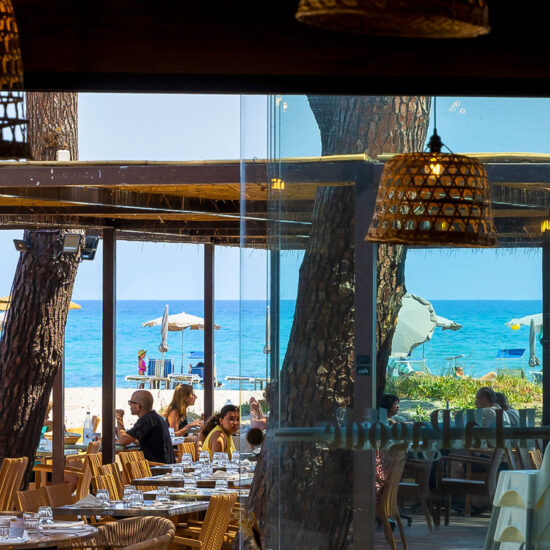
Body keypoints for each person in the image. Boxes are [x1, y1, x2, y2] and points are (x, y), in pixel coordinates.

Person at [115, 390, 175, 463]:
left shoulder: (146, 420)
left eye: (131, 403)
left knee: (126, 465)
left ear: (138, 405)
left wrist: (119, 417)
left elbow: (124, 440)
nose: (130, 406)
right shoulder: (157, 418)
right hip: (166, 465)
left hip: (157, 467)